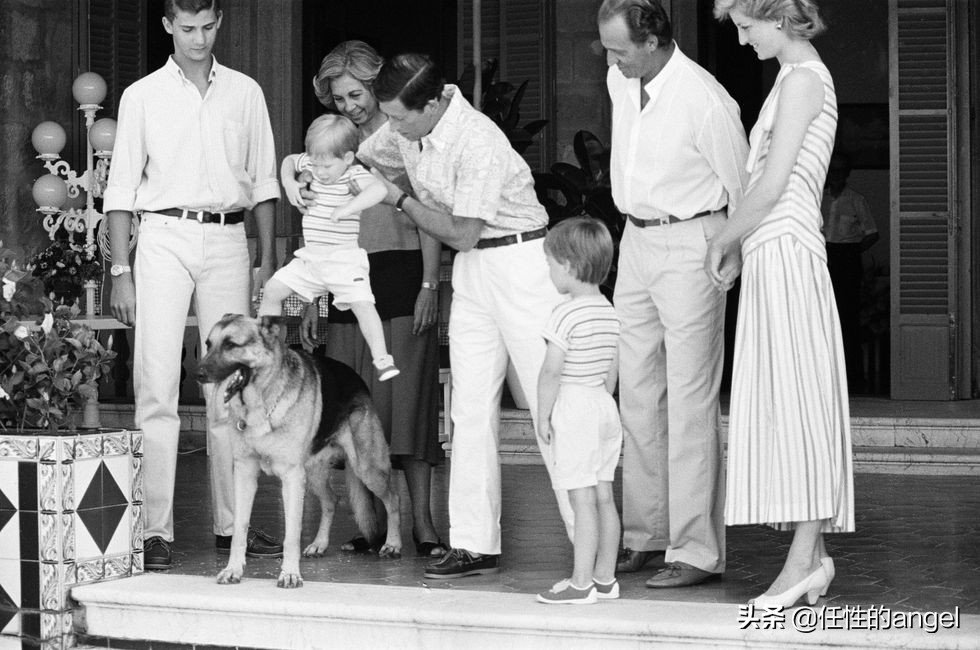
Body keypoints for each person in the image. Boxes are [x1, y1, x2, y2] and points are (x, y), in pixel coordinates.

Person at [357, 52, 576, 579]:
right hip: (475, 269)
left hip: (521, 260)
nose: (392, 128)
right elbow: (362, 155)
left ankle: (589, 535)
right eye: (387, 115)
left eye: (401, 118)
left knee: (554, 406)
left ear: (434, 103)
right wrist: (305, 165)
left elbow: (461, 231)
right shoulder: (402, 122)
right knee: (470, 408)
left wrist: (399, 198)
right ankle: (476, 543)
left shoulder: (477, 138)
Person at [104, 0, 283, 571]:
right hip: (162, 236)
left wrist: (267, 260)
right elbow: (121, 191)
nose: (198, 38)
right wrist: (120, 271)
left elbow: (264, 181)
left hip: (229, 239)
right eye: (187, 28)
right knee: (155, 383)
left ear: (219, 22)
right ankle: (156, 530)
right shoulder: (142, 95)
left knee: (229, 387)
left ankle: (233, 525)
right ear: (167, 26)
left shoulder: (245, 92)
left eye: (207, 27)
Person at [706, 0, 855, 607]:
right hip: (774, 248)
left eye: (746, 26)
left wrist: (723, 236)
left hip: (790, 248)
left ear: (779, 18)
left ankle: (802, 562)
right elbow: (762, 183)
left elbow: (773, 185)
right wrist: (740, 245)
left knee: (801, 399)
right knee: (783, 400)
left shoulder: (804, 82)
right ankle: (811, 560)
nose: (742, 41)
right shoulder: (790, 82)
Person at [597, 0, 749, 587]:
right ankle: (645, 533)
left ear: (655, 39)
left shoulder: (704, 99)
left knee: (689, 398)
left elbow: (742, 184)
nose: (609, 60)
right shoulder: (621, 78)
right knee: (635, 390)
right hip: (636, 238)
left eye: (619, 49)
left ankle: (694, 549)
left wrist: (730, 252)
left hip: (694, 239)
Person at [286, 41, 446, 557]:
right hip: (342, 280)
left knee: (409, 410)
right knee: (354, 411)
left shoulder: (405, 134)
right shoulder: (329, 144)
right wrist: (311, 300)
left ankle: (422, 525)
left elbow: (427, 215)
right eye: (338, 98)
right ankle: (371, 527)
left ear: (376, 84)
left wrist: (429, 285)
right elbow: (314, 225)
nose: (349, 106)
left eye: (355, 93)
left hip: (402, 276)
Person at [260, 114, 399, 381]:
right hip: (311, 258)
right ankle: (270, 348)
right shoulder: (313, 163)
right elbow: (290, 161)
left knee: (363, 304)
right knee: (273, 290)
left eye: (326, 167)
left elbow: (379, 191)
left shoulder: (353, 174)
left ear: (347, 158)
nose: (319, 172)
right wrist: (289, 182)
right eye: (315, 164)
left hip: (343, 259)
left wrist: (348, 207)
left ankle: (382, 358)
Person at [535, 218, 622, 606]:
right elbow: (613, 370)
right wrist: (603, 398)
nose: (550, 272)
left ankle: (581, 582)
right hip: (604, 405)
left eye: (552, 264)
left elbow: (552, 369)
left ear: (569, 266)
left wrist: (543, 413)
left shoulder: (564, 313)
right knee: (604, 495)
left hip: (575, 406)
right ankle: (605, 578)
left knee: (581, 498)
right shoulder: (610, 311)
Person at [821, 151, 878, 392]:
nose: (836, 176)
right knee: (820, 315)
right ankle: (822, 376)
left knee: (848, 317)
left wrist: (852, 252)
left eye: (840, 171)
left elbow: (872, 232)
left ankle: (852, 377)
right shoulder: (817, 198)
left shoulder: (856, 199)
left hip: (847, 259)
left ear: (847, 174)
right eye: (832, 171)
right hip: (822, 257)